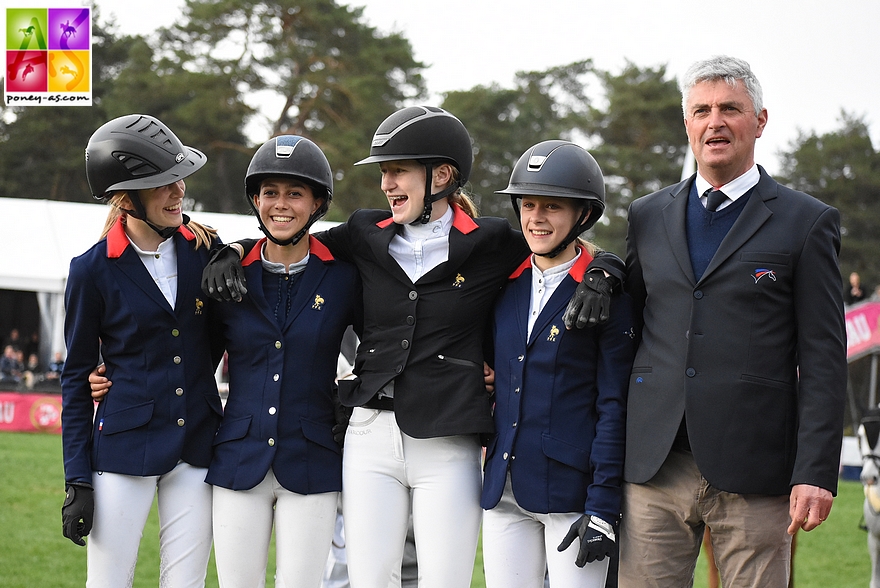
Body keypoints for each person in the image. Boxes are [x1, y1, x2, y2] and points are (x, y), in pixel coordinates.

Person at [202, 106, 622, 588]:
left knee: (445, 580)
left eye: (398, 170)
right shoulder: (363, 233)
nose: (387, 184)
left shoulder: (492, 242)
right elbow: (288, 235)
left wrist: (604, 270)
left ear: (441, 175)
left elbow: (560, 242)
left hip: (448, 441)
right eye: (384, 172)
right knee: (369, 581)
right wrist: (231, 250)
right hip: (368, 436)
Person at [567, 55, 847, 587]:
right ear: (687, 124)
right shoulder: (648, 214)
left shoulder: (807, 222)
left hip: (755, 469)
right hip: (655, 463)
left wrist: (815, 471)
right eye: (701, 110)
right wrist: (602, 267)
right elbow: (630, 312)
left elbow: (824, 356)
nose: (714, 121)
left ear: (760, 121)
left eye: (730, 109)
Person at [60, 114, 224, 586]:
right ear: (126, 198)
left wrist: (235, 251)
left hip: (196, 444)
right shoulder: (91, 270)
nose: (180, 192)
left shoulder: (205, 252)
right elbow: (75, 377)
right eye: (165, 184)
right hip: (123, 449)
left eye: (180, 181)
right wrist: (78, 479)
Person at [207, 135, 360, 587]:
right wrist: (109, 375)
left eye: (295, 193)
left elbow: (385, 340)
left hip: (312, 458)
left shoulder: (344, 278)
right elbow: (191, 358)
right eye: (270, 192)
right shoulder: (228, 273)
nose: (281, 204)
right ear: (255, 200)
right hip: (238, 457)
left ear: (317, 204)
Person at [480, 140, 635, 588]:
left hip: (572, 495)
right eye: (528, 205)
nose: (536, 218)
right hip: (504, 490)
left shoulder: (607, 295)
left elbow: (614, 406)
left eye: (552, 206)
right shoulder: (504, 286)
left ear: (582, 215)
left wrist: (603, 507)